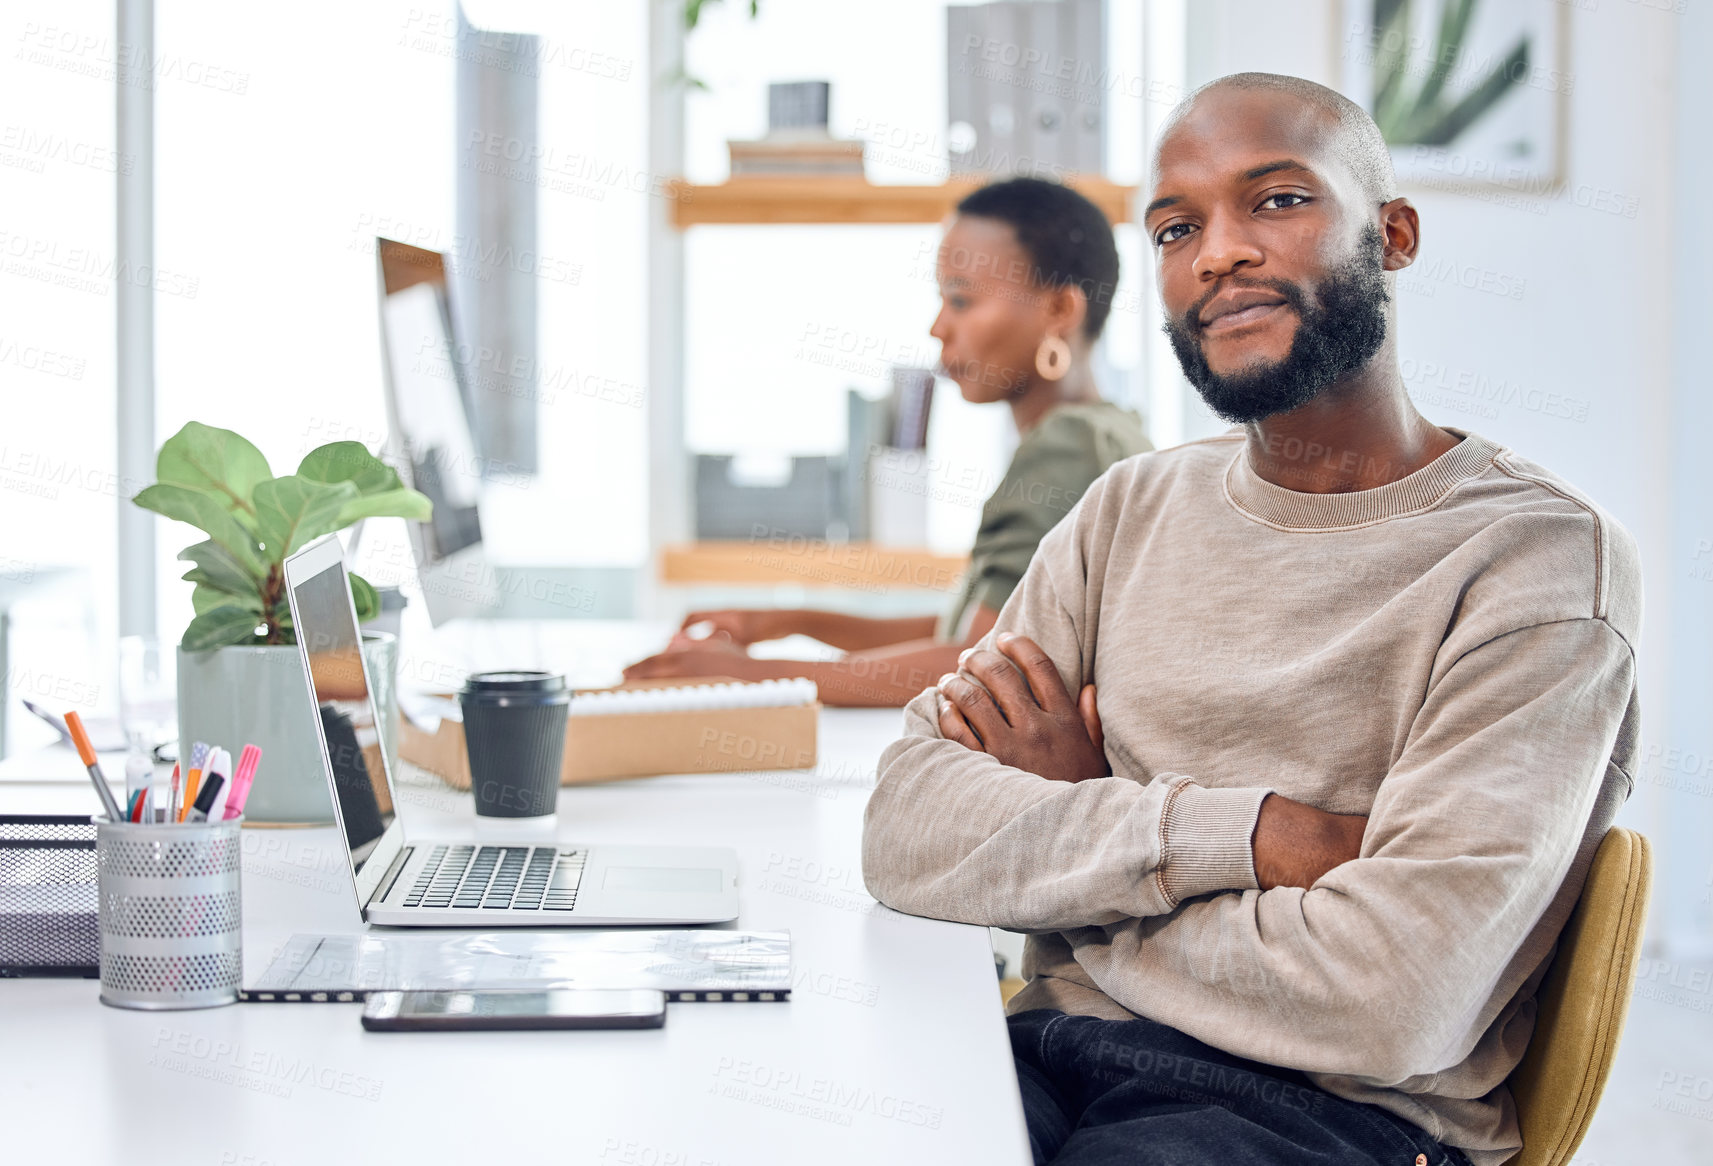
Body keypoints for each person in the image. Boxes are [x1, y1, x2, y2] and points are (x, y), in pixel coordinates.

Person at [862, 72, 1640, 1166]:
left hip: (1324, 1112)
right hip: (1039, 1052)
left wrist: (1079, 828)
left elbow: (1390, 994)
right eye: (1177, 228)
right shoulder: (1127, 508)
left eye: (1276, 200)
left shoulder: (1537, 558)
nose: (1217, 251)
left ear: (1395, 234)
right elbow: (904, 824)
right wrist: (1262, 835)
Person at [623, 178, 1150, 706]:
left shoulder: (1064, 445)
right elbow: (965, 629)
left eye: (962, 299)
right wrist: (784, 621)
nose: (938, 326)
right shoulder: (1111, 429)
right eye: (942, 299)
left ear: (1059, 310)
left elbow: (977, 662)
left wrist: (753, 677)